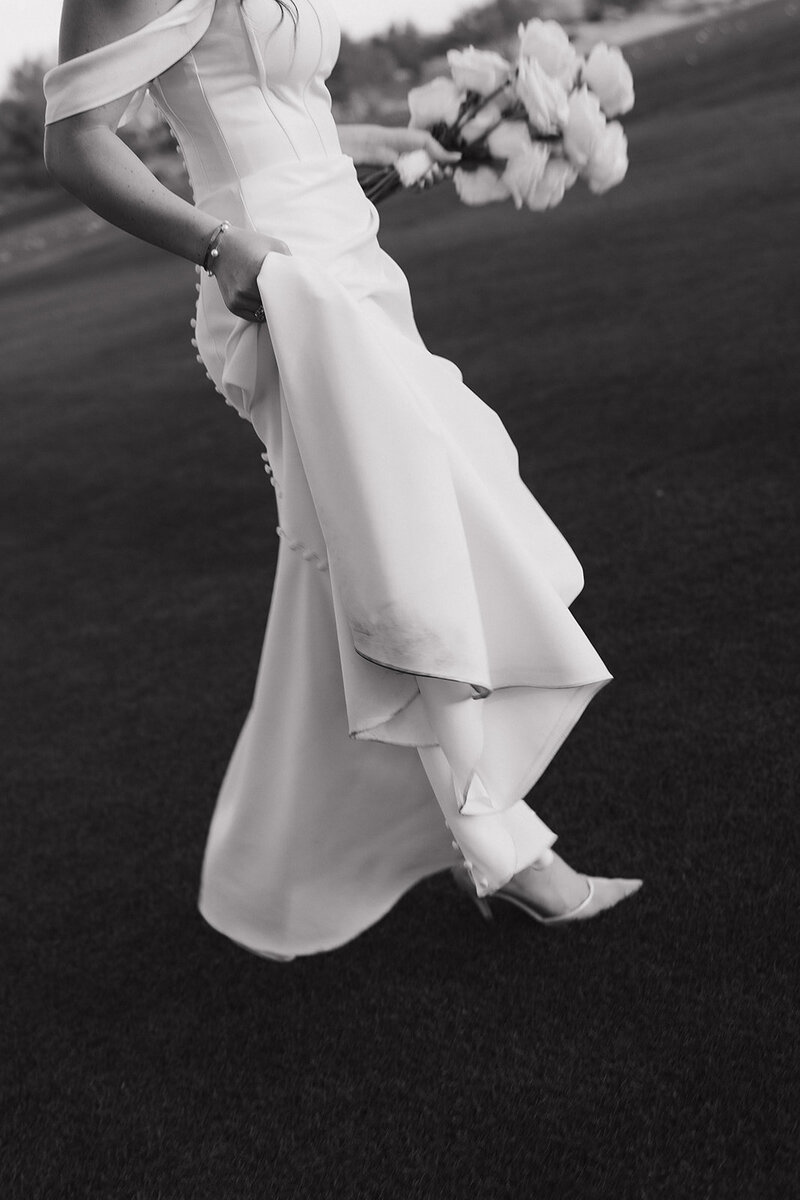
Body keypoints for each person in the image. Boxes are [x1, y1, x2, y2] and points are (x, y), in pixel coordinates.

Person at [43, 0, 642, 961]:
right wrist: (215, 244)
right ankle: (500, 844)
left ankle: (379, 842)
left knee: (387, 546)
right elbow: (73, 144)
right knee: (410, 541)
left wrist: (405, 141)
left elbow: (292, 111)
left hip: (353, 258)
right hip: (280, 285)